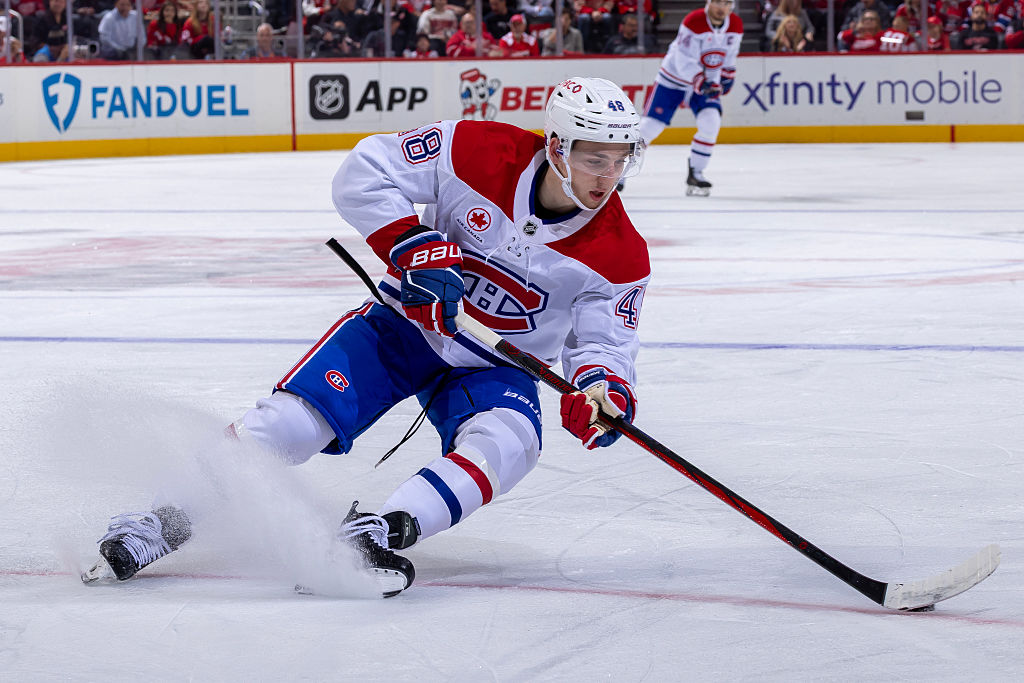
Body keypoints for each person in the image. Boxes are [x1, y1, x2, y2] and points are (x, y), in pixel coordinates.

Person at [81, 77, 650, 599]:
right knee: (289, 424)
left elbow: (605, 347)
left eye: (619, 161)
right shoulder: (475, 150)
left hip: (494, 368)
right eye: (594, 158)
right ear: (556, 147)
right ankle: (162, 520)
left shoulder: (621, 252)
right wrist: (411, 243)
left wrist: (602, 392)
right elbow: (365, 170)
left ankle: (375, 531)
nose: (608, 176)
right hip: (402, 328)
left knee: (510, 445)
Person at [633, 0, 742, 197]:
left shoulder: (735, 25)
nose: (721, 7)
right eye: (717, 1)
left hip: (706, 82)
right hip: (673, 79)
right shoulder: (694, 21)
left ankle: (696, 173)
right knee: (650, 126)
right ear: (709, 2)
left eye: (726, 3)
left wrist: (727, 76)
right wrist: (700, 80)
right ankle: (618, 172)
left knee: (711, 122)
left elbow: (730, 56)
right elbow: (683, 58)